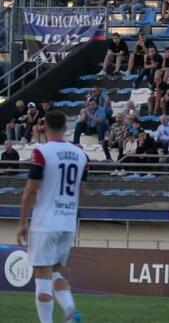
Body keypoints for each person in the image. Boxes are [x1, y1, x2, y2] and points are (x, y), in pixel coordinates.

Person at [16, 111, 86, 323]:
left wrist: (22, 223)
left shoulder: (41, 152)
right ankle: (71, 310)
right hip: (67, 223)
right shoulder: (81, 154)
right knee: (56, 272)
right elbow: (82, 192)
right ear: (66, 128)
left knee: (42, 278)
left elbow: (30, 190)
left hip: (45, 222)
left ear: (43, 127)